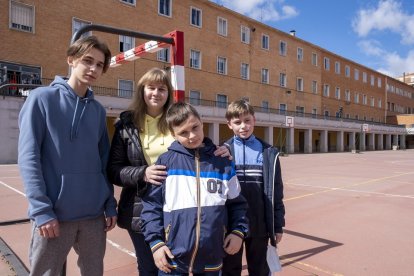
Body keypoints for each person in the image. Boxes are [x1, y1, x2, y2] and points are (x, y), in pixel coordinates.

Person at [106, 68, 232, 275]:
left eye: (162, 89)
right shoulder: (126, 126)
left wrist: (222, 148)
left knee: (178, 267)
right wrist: (142, 173)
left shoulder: (177, 119)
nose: (156, 93)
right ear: (142, 91)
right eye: (151, 88)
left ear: (169, 93)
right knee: (149, 267)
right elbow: (113, 170)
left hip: (181, 205)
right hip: (142, 208)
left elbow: (197, 141)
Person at [18, 35, 117, 276]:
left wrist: (109, 204)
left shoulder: (97, 110)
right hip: (54, 216)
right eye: (87, 61)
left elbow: (102, 162)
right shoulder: (42, 99)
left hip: (94, 216)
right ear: (71, 60)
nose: (93, 69)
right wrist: (41, 210)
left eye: (100, 65)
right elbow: (29, 157)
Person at [141, 102, 249, 276]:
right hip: (173, 260)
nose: (191, 136)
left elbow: (238, 204)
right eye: (183, 132)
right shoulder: (165, 163)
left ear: (202, 123)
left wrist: (238, 231)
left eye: (195, 127)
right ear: (173, 134)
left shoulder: (223, 162)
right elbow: (151, 207)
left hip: (212, 260)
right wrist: (156, 244)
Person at [222, 100, 285, 276]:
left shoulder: (269, 152)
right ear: (229, 125)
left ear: (254, 120)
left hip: (260, 224)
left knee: (259, 270)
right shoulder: (222, 151)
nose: (243, 126)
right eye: (237, 122)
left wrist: (278, 225)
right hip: (231, 224)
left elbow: (277, 192)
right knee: (229, 269)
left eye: (247, 120)